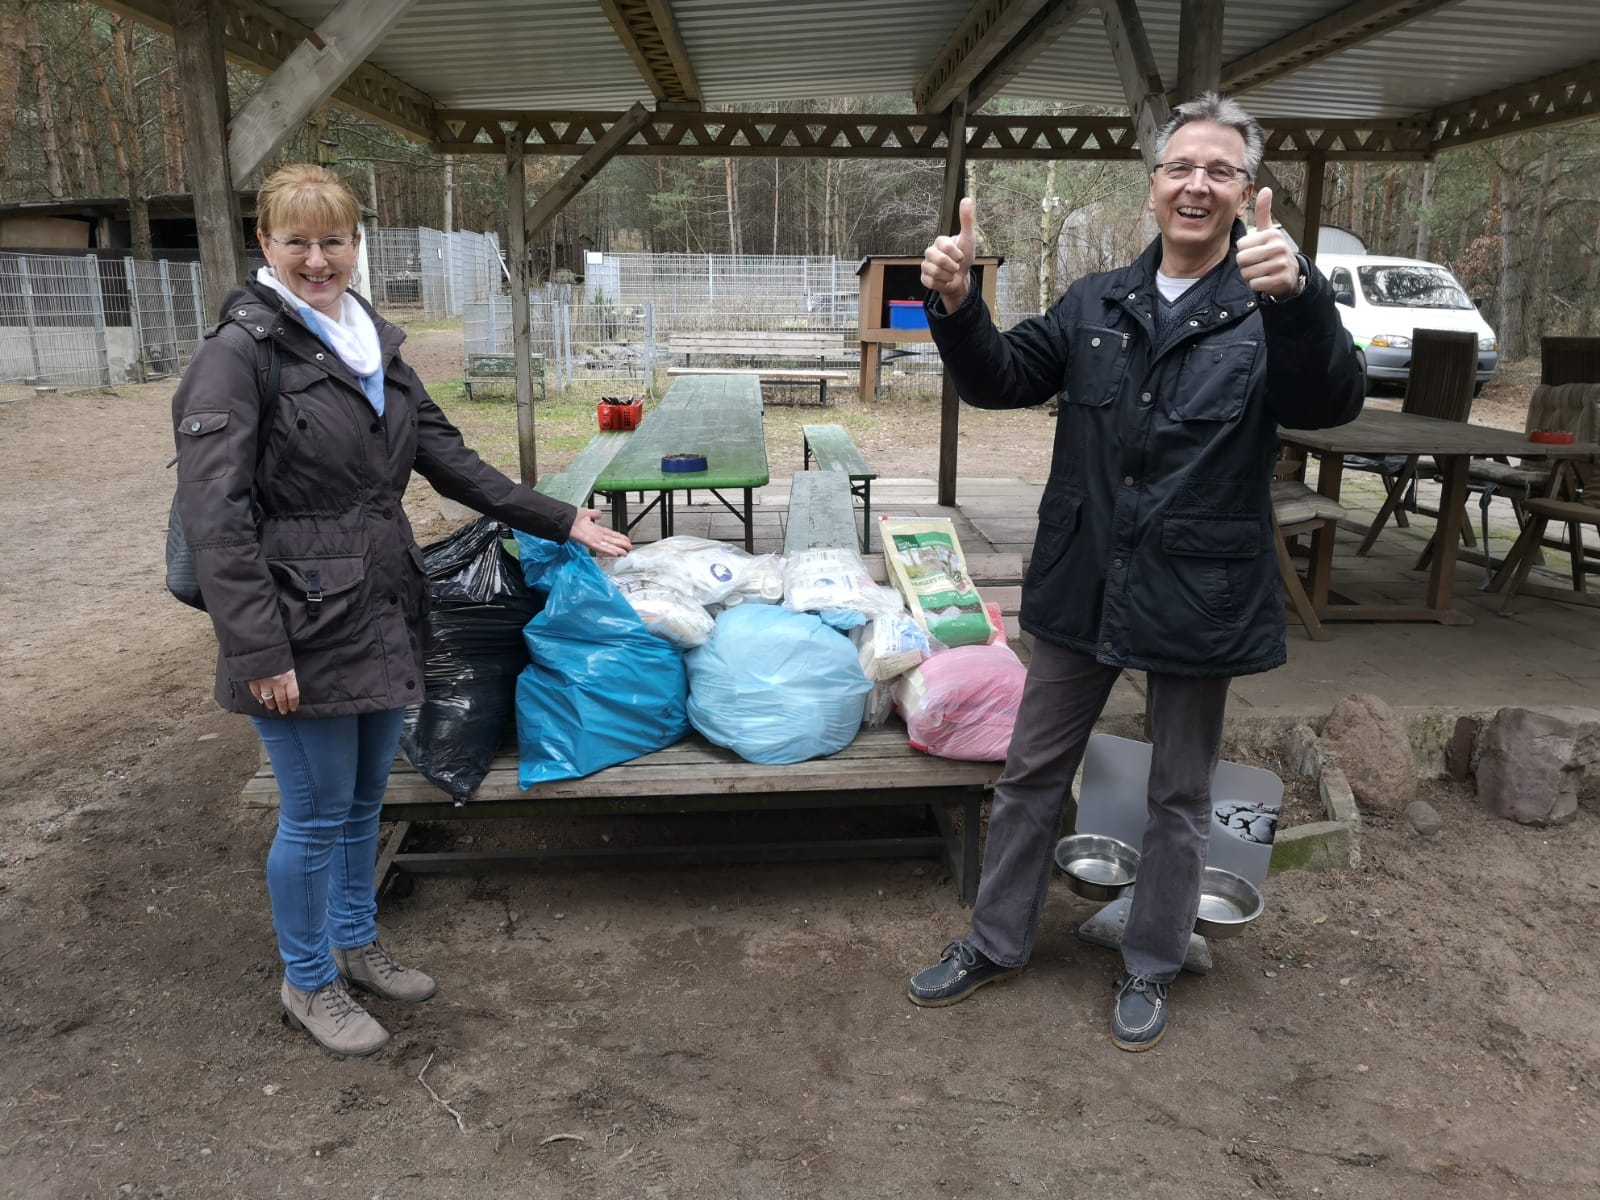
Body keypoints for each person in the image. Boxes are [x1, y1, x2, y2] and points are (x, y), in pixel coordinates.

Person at [907, 93, 1363, 1051]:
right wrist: (953, 303)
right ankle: (995, 940)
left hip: (1199, 591)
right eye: (1179, 168)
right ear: (1153, 186)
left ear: (1246, 194)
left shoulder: (1266, 308)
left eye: (1220, 171)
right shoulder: (1094, 302)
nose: (1197, 185)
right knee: (1032, 772)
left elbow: (1331, 399)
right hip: (1085, 578)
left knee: (1180, 794)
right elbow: (999, 377)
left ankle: (1152, 961)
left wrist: (1304, 298)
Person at [170, 164, 632, 1058]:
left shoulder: (367, 343)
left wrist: (563, 518)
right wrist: (258, 648)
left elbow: (449, 458)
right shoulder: (239, 355)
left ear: (356, 246)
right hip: (296, 624)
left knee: (363, 801)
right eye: (297, 241)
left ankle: (355, 942)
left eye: (334, 240)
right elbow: (214, 515)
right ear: (264, 245)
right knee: (312, 811)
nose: (317, 258)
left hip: (380, 603)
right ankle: (307, 981)